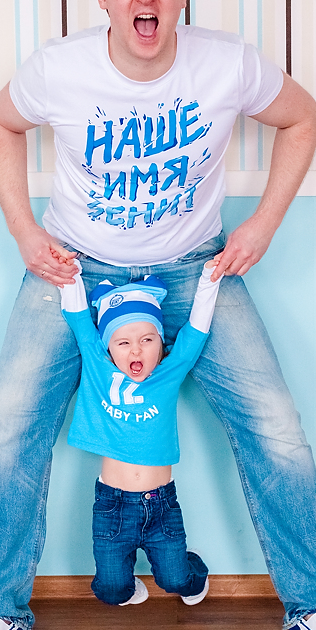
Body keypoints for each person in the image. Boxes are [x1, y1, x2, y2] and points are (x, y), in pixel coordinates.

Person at [0, 0, 316, 630]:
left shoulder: (226, 63)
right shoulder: (59, 69)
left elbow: (301, 117)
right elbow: (1, 124)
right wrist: (22, 230)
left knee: (276, 428)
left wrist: (263, 223)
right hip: (74, 268)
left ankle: (312, 605)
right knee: (11, 429)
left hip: (192, 267)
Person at [60, 259, 220, 607]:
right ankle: (125, 584)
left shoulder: (169, 372)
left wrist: (209, 281)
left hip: (160, 504)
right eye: (123, 343)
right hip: (112, 506)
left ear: (160, 344)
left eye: (147, 340)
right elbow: (79, 320)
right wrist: (68, 273)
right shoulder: (98, 367)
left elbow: (195, 334)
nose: (135, 350)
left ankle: (193, 572)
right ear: (108, 348)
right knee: (112, 591)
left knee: (177, 581)